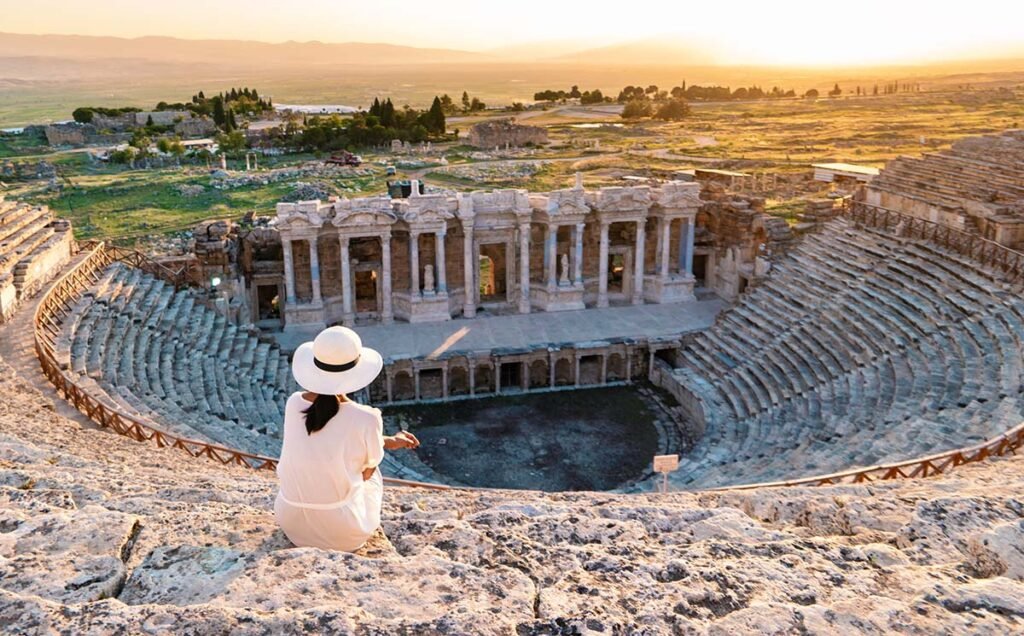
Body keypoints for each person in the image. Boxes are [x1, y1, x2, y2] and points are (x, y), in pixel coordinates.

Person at [275, 326, 419, 551]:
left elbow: (329, 437)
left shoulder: (293, 403)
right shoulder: (367, 417)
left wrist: (389, 440)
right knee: (373, 469)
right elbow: (365, 472)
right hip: (341, 533)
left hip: (291, 523)